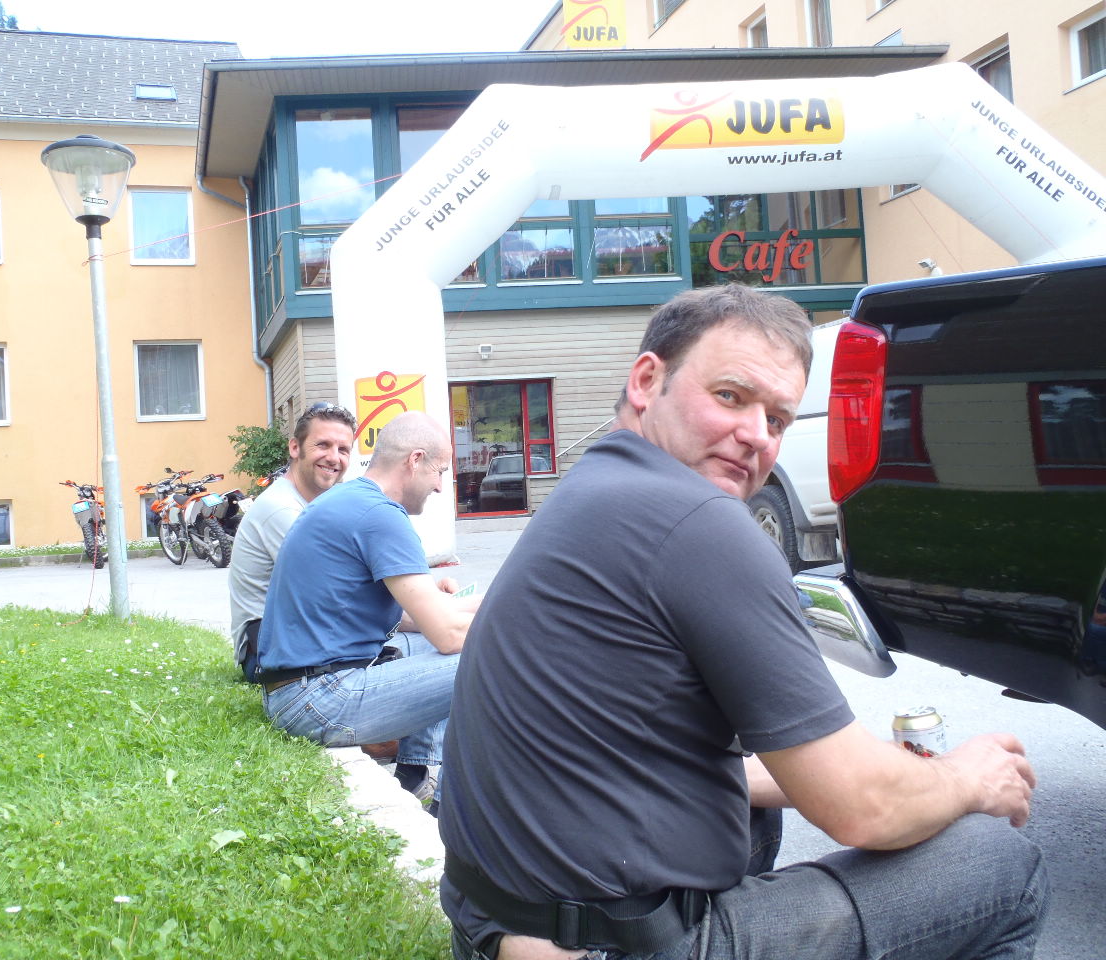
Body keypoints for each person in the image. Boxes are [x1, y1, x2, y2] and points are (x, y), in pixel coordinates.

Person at [438, 284, 1046, 960]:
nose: (757, 434)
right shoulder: (700, 523)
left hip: (493, 918)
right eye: (731, 396)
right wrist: (966, 778)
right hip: (601, 943)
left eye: (778, 419)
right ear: (648, 381)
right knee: (997, 863)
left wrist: (864, 767)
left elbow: (632, 747)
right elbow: (862, 809)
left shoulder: (594, 487)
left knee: (757, 816)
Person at [255, 410, 480, 809]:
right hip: (317, 700)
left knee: (432, 642)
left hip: (294, 690)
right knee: (487, 660)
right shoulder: (380, 516)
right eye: (440, 472)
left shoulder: (350, 499)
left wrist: (485, 606)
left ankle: (417, 774)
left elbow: (418, 619)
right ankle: (453, 813)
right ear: (415, 460)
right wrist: (518, 615)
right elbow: (447, 635)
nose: (439, 486)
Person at [229, 401, 357, 681]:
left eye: (343, 449)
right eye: (323, 445)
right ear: (295, 448)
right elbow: (339, 595)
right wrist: (422, 612)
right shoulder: (281, 509)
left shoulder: (317, 505)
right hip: (269, 654)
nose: (334, 458)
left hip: (306, 639)